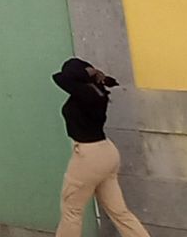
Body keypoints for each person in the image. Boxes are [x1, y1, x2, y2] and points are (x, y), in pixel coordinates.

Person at [52, 58, 152, 237]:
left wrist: (89, 73)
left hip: (88, 155)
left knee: (71, 210)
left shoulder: (85, 93)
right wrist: (95, 74)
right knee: (119, 212)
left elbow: (59, 78)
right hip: (106, 151)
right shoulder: (97, 92)